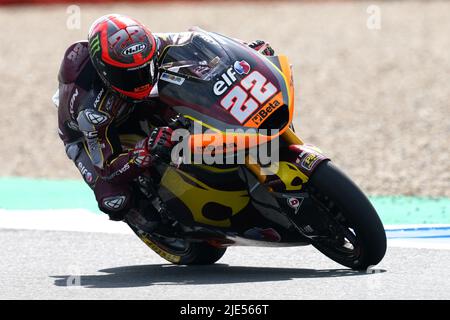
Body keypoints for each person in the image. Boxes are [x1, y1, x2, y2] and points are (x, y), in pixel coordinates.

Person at [54, 14, 275, 230]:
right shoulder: (92, 109)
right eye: (128, 76)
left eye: (145, 69)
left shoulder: (152, 45)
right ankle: (159, 220)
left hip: (141, 103)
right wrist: (144, 150)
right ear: (105, 72)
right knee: (115, 200)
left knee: (185, 108)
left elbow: (201, 43)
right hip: (86, 137)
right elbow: (107, 168)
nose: (140, 80)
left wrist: (247, 51)